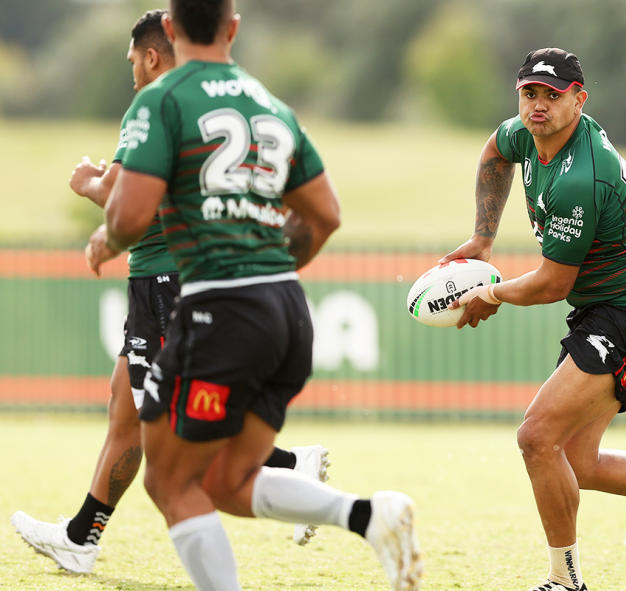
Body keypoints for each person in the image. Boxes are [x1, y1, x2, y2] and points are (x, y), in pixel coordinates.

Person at [82, 2, 421, 590]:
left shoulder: (161, 98)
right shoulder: (271, 105)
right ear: (233, 29)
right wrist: (265, 276)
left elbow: (132, 217)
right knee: (227, 480)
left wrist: (104, 239)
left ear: (170, 30)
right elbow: (326, 215)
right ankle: (369, 516)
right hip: (288, 311)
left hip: (221, 314)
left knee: (170, 481)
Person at [9, 10, 332, 576]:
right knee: (125, 410)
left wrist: (89, 183)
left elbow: (131, 202)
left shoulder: (159, 101)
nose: (132, 70)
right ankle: (82, 536)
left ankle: (288, 467)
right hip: (171, 282)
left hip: (165, 281)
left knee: (171, 432)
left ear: (154, 54)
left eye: (134, 59)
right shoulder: (231, 100)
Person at [444, 47, 626, 589]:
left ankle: (564, 581)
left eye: (553, 95)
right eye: (529, 93)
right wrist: (484, 237)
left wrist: (488, 296)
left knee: (536, 438)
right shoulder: (525, 133)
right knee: (576, 462)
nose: (538, 105)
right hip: (610, 309)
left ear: (580, 99)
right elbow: (493, 151)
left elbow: (552, 284)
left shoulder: (580, 179)